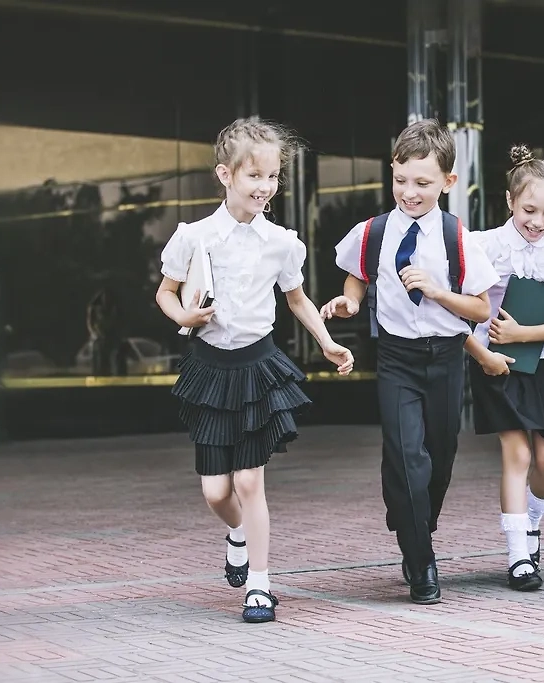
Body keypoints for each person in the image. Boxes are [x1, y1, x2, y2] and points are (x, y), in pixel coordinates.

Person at [156, 117, 354, 623]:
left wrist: (328, 342)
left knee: (249, 482)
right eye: (255, 176)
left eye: (273, 176)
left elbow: (297, 299)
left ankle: (260, 587)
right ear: (225, 175)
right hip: (209, 370)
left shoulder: (281, 242)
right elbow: (166, 292)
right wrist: (183, 317)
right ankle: (237, 534)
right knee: (216, 492)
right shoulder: (194, 236)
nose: (266, 186)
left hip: (256, 368)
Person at [320, 118, 499, 604]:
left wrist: (438, 292)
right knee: (405, 457)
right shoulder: (373, 232)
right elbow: (358, 276)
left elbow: (481, 308)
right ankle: (421, 563)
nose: (409, 192)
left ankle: (414, 520)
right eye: (401, 180)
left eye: (422, 183)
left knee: (438, 459)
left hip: (446, 357)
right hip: (397, 357)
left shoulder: (459, 238)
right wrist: (350, 302)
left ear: (448, 181)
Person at [465, 144, 544, 591]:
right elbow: (461, 313)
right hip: (497, 365)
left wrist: (522, 334)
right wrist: (482, 351)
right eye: (529, 210)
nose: (537, 222)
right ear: (510, 200)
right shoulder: (482, 245)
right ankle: (519, 555)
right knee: (517, 454)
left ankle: (534, 516)